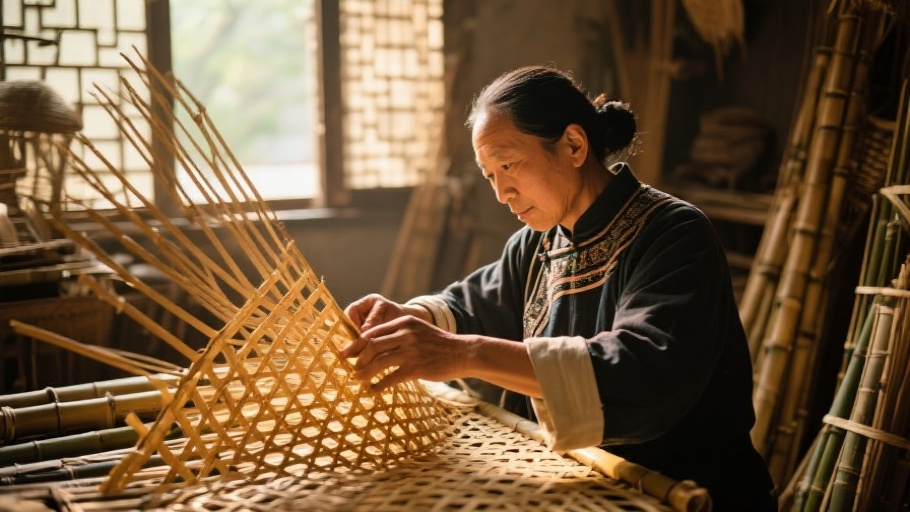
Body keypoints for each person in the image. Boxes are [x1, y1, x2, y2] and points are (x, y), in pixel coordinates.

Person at [340, 65, 776, 511]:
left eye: (508, 165)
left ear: (573, 145)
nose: (501, 192)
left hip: (682, 495)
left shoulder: (674, 233)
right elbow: (472, 305)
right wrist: (410, 319)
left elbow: (643, 372)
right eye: (490, 175)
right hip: (579, 490)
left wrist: (460, 353)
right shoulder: (536, 243)